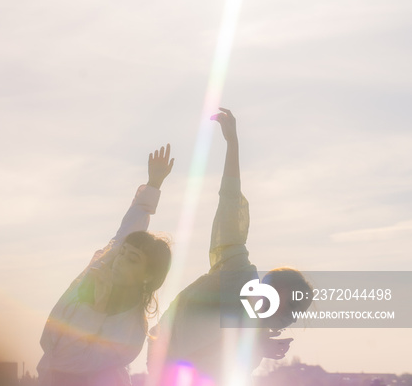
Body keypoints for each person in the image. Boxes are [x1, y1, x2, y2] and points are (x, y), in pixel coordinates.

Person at [147, 109, 312, 386]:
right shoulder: (238, 272)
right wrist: (232, 144)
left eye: (278, 310)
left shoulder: (254, 341)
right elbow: (230, 202)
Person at [37, 144, 174, 386]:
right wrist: (154, 183)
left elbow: (72, 363)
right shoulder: (106, 266)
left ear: (147, 276)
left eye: (133, 259)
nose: (120, 259)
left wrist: (96, 306)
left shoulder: (131, 329)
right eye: (123, 254)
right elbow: (130, 226)